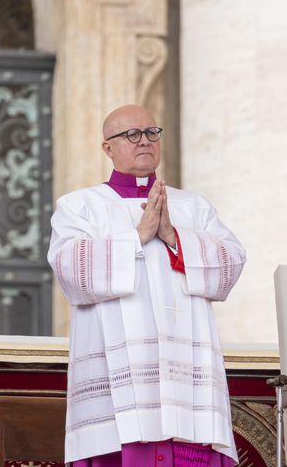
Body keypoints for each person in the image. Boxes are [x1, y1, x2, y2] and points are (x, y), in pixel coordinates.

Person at [47, 105, 246, 466]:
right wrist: (137, 236)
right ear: (108, 148)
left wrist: (174, 237)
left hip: (183, 372)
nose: (144, 141)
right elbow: (69, 270)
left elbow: (231, 264)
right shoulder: (80, 206)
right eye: (131, 135)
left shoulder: (193, 207)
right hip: (116, 377)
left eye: (152, 133)